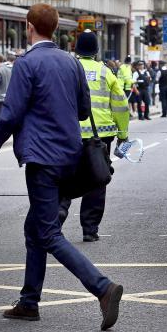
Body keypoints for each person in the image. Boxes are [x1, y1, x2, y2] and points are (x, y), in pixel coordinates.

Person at [0, 4, 123, 329]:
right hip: (71, 154)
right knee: (34, 229)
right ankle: (29, 302)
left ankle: (102, 288)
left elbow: (11, 115)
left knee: (48, 232)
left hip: (42, 159)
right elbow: (83, 110)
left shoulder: (27, 63)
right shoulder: (71, 63)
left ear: (29, 26)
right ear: (55, 28)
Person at [58, 30, 130, 242]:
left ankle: (59, 211)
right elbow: (121, 105)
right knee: (97, 179)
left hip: (70, 133)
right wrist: (123, 134)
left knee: (65, 176)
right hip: (101, 136)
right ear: (97, 50)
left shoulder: (67, 69)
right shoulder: (105, 72)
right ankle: (90, 229)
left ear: (76, 49)